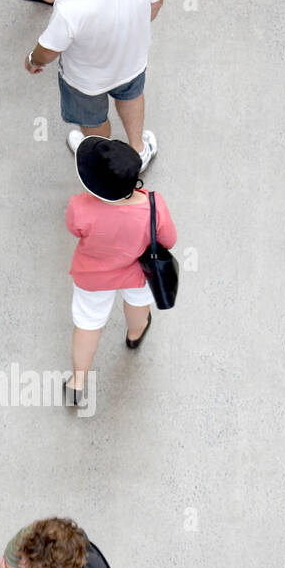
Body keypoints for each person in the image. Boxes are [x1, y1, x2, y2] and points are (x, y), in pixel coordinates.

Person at [23, 0, 163, 169]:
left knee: (93, 119)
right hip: (132, 64)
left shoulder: (69, 8)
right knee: (131, 97)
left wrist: (33, 60)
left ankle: (103, 155)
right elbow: (156, 4)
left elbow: (48, 51)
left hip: (85, 83)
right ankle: (138, 151)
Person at [63, 136, 176, 406]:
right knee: (138, 304)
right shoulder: (153, 204)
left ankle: (78, 383)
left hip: (93, 276)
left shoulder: (79, 207)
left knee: (88, 323)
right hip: (138, 272)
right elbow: (169, 240)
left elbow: (73, 230)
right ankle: (134, 336)